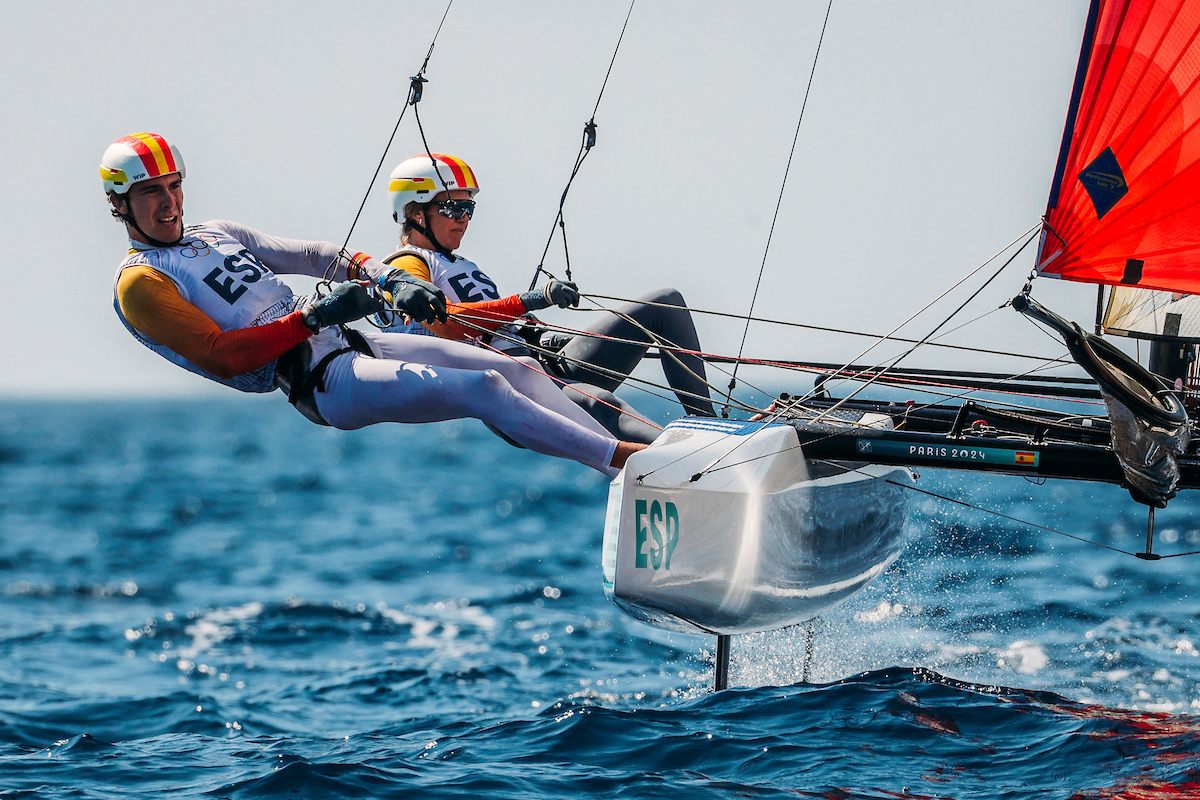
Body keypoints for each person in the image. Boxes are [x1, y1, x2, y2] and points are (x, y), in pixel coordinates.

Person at [104, 132, 644, 476]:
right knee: (486, 388)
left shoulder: (214, 231)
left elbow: (319, 255)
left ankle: (634, 469)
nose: (170, 202)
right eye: (152, 192)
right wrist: (314, 316)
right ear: (119, 204)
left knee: (520, 368)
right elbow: (224, 356)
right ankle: (628, 462)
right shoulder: (141, 282)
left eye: (173, 185)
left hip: (353, 343)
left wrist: (388, 279)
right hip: (321, 382)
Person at [378, 152, 717, 443]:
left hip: (546, 369)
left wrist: (536, 329)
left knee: (664, 302)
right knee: (599, 402)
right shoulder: (407, 264)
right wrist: (532, 299)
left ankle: (712, 429)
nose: (464, 218)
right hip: (511, 391)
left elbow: (502, 323)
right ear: (417, 213)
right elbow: (450, 323)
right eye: (454, 208)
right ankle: (694, 458)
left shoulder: (461, 263)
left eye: (469, 208)